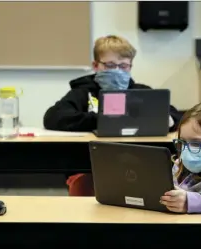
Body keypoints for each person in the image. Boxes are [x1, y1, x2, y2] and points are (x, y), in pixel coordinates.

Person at [43, 35, 183, 196]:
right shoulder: (82, 92)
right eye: (110, 65)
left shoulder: (141, 92)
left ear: (130, 66)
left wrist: (163, 120)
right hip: (88, 165)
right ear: (96, 65)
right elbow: (54, 117)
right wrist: (102, 119)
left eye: (123, 65)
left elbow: (175, 116)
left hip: (137, 164)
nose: (117, 71)